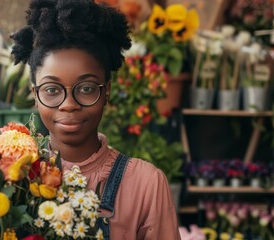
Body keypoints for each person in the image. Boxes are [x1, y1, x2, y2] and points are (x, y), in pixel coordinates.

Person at [11, 0, 181, 239]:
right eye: (52, 90)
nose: (69, 104)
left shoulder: (146, 184)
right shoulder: (11, 177)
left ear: (106, 92)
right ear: (35, 94)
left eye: (86, 88)